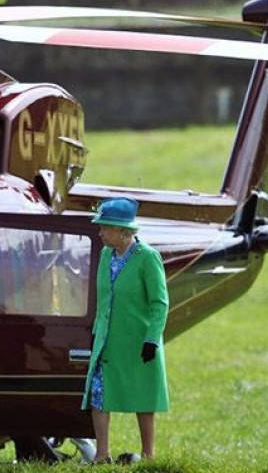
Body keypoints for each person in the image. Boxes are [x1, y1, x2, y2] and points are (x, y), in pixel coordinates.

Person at [81, 197, 169, 462]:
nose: (100, 233)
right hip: (108, 341)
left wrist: (152, 339)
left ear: (123, 231)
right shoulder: (106, 255)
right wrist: (96, 333)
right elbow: (103, 299)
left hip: (139, 341)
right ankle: (102, 455)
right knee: (98, 393)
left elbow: (160, 302)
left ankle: (148, 455)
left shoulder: (147, 258)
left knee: (143, 396)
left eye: (104, 228)